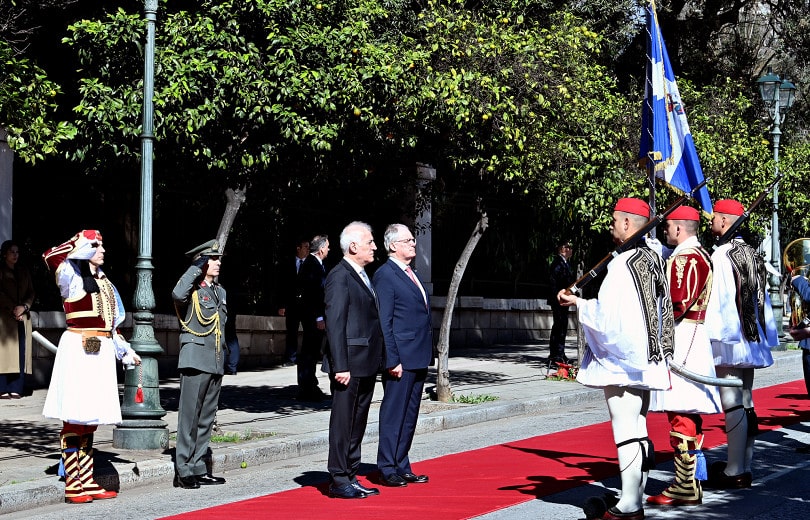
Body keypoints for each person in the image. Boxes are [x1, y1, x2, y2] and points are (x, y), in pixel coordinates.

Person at [558, 198, 673, 520]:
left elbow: (609, 319)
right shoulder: (652, 258)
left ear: (627, 224)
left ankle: (630, 505)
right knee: (638, 427)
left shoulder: (623, 264)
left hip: (625, 360)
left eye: (614, 221)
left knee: (626, 429)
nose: (611, 227)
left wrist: (578, 303)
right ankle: (634, 495)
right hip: (648, 356)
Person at [41, 230, 142, 504]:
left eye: (102, 245)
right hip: (78, 351)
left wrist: (126, 352)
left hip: (100, 353)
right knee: (75, 418)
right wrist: (79, 241)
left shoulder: (106, 283)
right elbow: (50, 256)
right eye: (96, 246)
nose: (102, 250)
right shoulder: (71, 278)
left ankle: (87, 479)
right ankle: (73, 482)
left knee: (91, 421)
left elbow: (112, 327)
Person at [647, 205, 721, 506]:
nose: (666, 231)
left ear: (679, 229)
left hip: (684, 336)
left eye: (668, 227)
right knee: (687, 413)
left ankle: (686, 485)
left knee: (680, 413)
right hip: (693, 334)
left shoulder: (687, 258)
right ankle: (690, 481)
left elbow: (676, 302)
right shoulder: (699, 254)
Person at [704, 199, 777, 488]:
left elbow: (719, 299)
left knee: (733, 403)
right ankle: (744, 463)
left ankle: (735, 470)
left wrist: (712, 336)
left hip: (730, 338)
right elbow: (764, 302)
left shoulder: (722, 255)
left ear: (724, 221)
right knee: (746, 401)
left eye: (714, 219)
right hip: (751, 337)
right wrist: (764, 333)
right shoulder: (752, 253)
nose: (711, 224)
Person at [322, 221, 384, 499]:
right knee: (344, 421)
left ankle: (350, 473)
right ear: (354, 246)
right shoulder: (340, 275)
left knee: (358, 421)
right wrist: (341, 365)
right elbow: (335, 323)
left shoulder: (360, 273)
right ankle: (338, 477)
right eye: (370, 241)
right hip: (349, 363)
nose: (374, 246)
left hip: (366, 360)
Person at [375, 224, 433, 487]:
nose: (413, 243)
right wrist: (392, 358)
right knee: (394, 413)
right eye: (408, 240)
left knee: (410, 415)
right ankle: (387, 466)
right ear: (393, 245)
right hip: (401, 359)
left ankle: (402, 463)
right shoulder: (385, 275)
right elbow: (384, 322)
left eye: (413, 239)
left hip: (418, 354)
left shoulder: (412, 273)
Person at [172, 239, 229, 489]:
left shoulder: (220, 291)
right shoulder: (191, 290)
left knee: (206, 418)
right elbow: (177, 294)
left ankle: (198, 466)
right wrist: (196, 268)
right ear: (202, 262)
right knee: (189, 418)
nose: (217, 263)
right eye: (213, 259)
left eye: (217, 259)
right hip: (195, 360)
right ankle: (183, 469)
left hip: (215, 360)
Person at [296, 234, 330, 401]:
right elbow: (312, 293)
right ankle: (307, 386)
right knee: (309, 351)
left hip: (313, 314)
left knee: (311, 351)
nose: (329, 249)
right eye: (328, 246)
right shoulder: (311, 264)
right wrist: (318, 317)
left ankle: (309, 384)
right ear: (322, 248)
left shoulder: (315, 263)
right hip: (312, 315)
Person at [0, 240, 35, 399]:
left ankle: (17, 388)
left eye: (17, 252)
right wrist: (13, 308)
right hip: (5, 318)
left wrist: (24, 307)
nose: (15, 255)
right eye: (12, 252)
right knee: (5, 354)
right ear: (5, 254)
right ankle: (2, 388)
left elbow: (31, 293)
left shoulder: (23, 271)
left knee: (20, 352)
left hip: (22, 318)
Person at [278, 237, 310, 366]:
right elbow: (282, 286)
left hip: (307, 305)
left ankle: (307, 356)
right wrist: (282, 305)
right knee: (291, 332)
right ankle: (291, 358)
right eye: (305, 247)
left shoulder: (311, 264)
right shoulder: (287, 263)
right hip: (292, 305)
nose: (308, 250)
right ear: (298, 248)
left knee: (309, 332)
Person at [548, 240, 575, 366]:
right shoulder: (557, 263)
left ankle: (560, 353)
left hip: (563, 299)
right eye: (567, 247)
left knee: (562, 326)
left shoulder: (565, 263)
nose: (570, 249)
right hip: (558, 300)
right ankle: (555, 356)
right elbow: (554, 283)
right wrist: (559, 297)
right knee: (559, 326)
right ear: (561, 249)